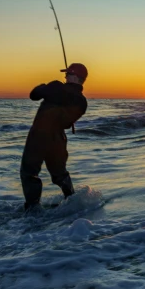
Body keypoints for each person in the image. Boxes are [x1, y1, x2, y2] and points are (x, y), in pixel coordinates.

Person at [20, 62, 88, 211]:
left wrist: (47, 86)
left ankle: (33, 209)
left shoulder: (57, 87)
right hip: (58, 138)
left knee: (29, 172)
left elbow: (34, 95)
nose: (65, 76)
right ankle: (71, 200)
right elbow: (65, 123)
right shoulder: (82, 102)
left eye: (68, 74)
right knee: (59, 174)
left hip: (39, 135)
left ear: (76, 77)